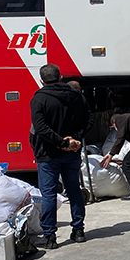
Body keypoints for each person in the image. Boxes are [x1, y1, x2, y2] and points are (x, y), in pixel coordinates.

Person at [29, 64, 94, 249]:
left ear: (42, 80)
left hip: (48, 154)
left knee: (49, 194)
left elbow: (41, 128)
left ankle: (49, 237)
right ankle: (78, 231)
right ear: (61, 77)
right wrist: (74, 140)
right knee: (74, 190)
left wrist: (62, 143)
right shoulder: (77, 96)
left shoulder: (39, 99)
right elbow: (90, 120)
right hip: (72, 152)